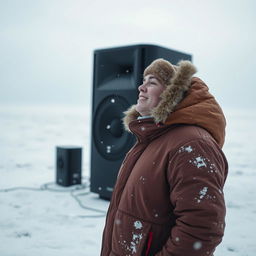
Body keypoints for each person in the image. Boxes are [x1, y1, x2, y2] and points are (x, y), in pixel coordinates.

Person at [100, 58, 228, 256]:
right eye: (144, 81)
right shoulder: (151, 139)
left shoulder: (192, 144)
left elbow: (202, 228)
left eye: (152, 82)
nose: (141, 87)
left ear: (173, 94)